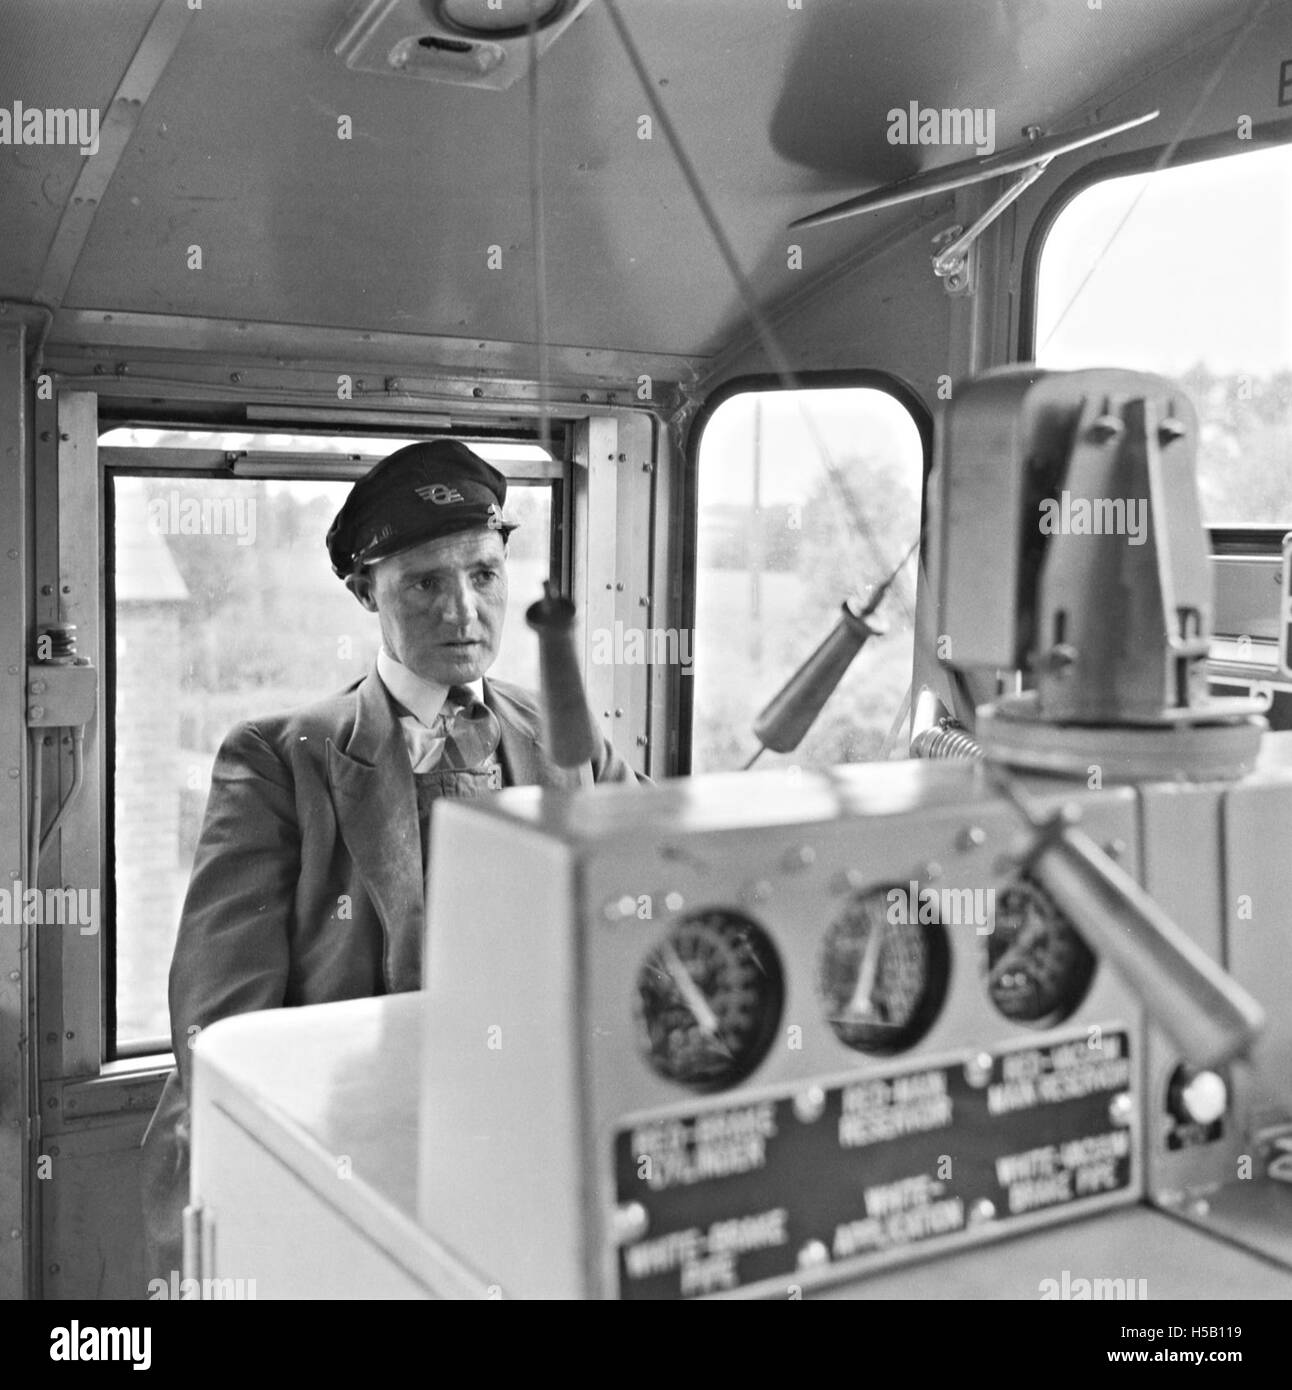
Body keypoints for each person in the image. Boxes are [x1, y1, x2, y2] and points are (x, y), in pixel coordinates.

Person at [139, 439, 645, 1284]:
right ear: (363, 591)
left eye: (482, 576)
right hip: (343, 1161)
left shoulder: (567, 735)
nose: (462, 612)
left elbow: (652, 904)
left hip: (532, 1154)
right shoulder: (277, 761)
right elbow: (222, 1036)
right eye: (423, 584)